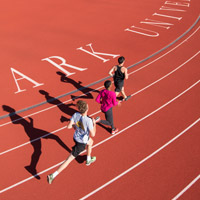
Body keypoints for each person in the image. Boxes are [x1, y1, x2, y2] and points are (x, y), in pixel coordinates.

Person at [47, 100, 96, 184]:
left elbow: (69, 126)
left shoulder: (75, 115)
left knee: (91, 142)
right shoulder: (89, 120)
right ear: (87, 109)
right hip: (81, 142)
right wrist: (94, 124)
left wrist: (76, 126)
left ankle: (88, 159)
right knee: (68, 160)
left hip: (76, 137)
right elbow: (93, 134)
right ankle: (53, 175)